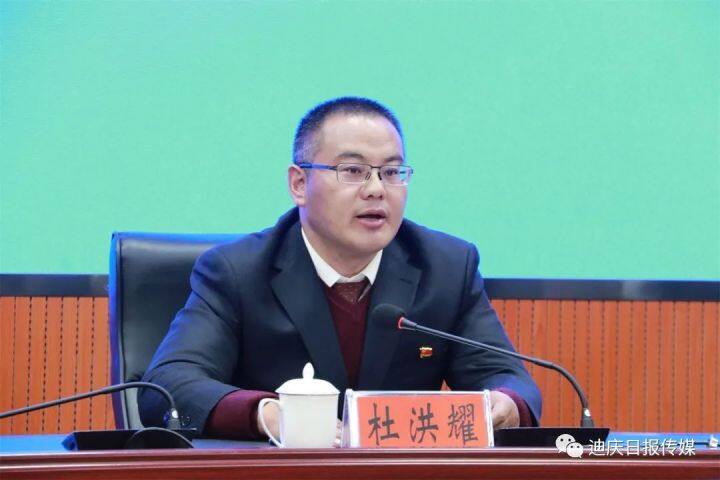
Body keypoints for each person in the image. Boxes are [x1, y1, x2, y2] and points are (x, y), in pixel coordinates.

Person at [139, 97, 541, 440]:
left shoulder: (447, 267)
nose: (376, 189)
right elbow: (169, 386)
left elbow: (510, 379)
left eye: (392, 172)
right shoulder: (237, 271)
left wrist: (506, 404)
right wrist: (265, 414)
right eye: (352, 171)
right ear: (299, 184)